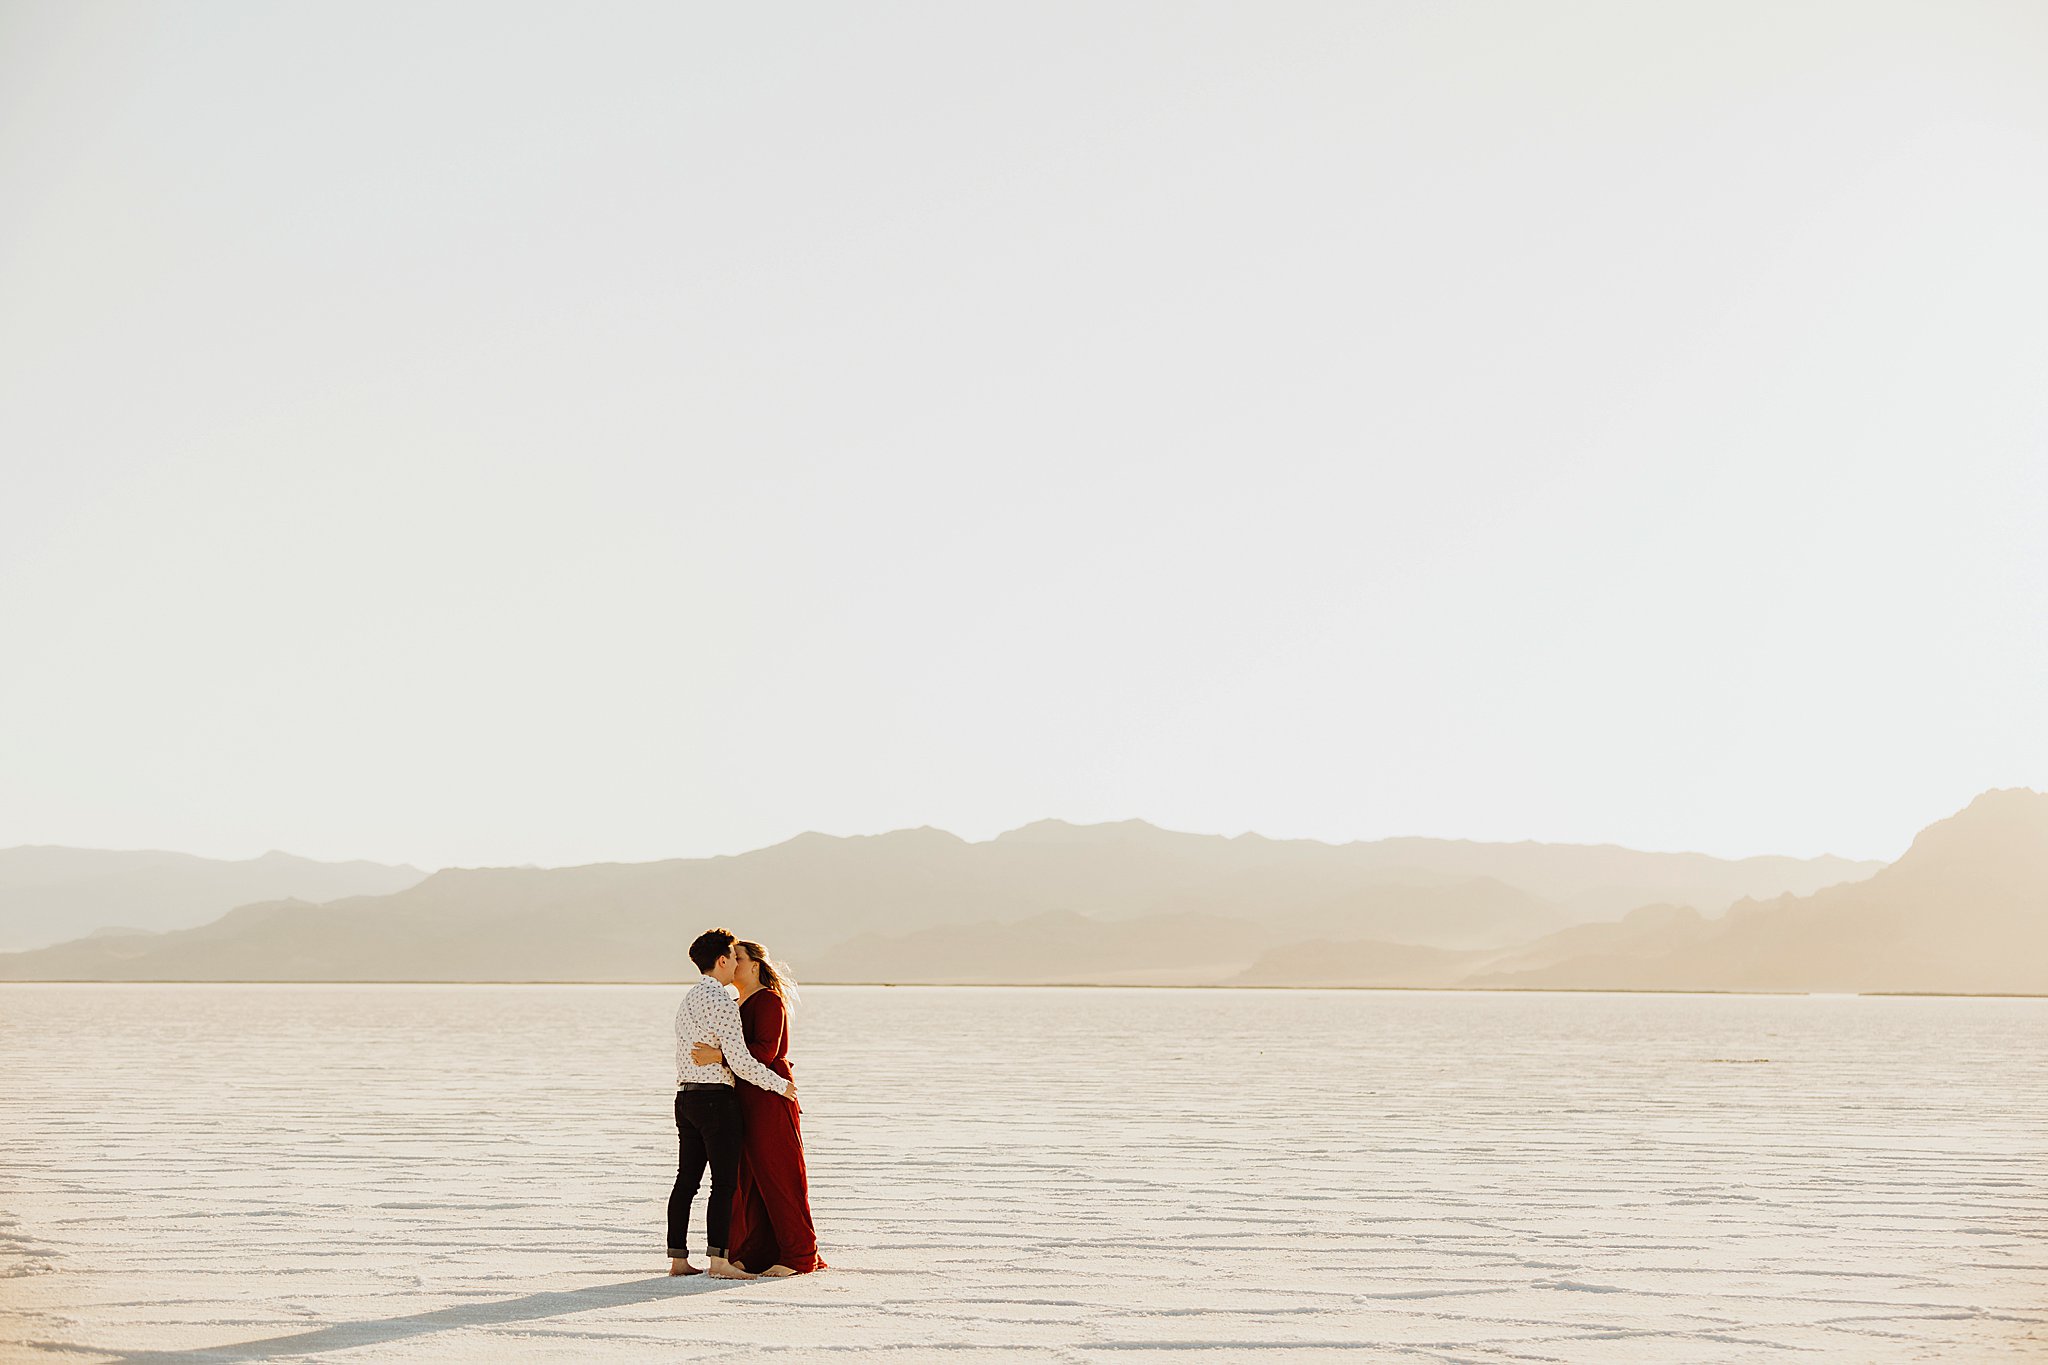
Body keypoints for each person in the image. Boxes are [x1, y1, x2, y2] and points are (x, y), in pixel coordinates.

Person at [689, 938, 826, 1275]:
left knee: (780, 1175)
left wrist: (718, 1056)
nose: (731, 962)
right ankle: (757, 1252)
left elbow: (764, 1054)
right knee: (748, 1178)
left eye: (737, 957)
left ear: (754, 965)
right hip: (741, 1096)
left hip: (768, 1098)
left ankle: (798, 1256)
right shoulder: (734, 1002)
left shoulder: (768, 1001)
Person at [669, 927, 797, 1280]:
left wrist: (714, 1056)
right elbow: (742, 1061)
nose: (736, 964)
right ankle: (720, 1261)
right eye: (733, 957)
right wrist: (779, 1084)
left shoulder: (689, 999)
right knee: (725, 1184)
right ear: (723, 961)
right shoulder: (723, 1001)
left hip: (685, 1097)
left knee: (686, 1181)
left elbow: (688, 1052)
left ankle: (678, 1260)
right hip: (715, 1101)